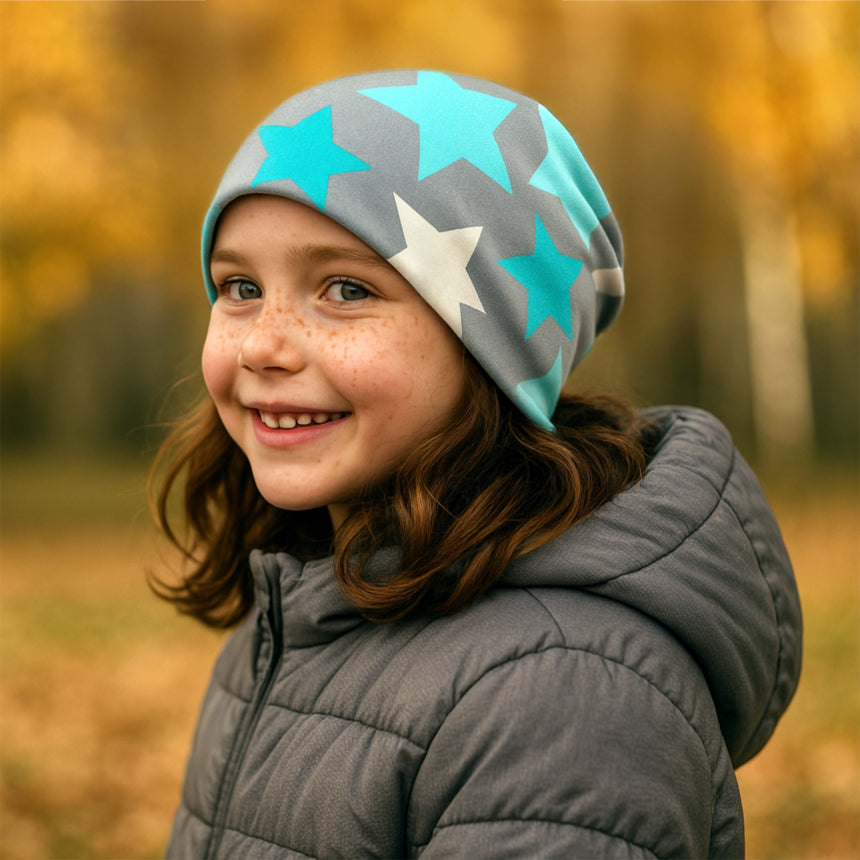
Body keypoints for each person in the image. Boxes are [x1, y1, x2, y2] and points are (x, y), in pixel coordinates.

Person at [150, 70, 802, 859]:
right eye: (240, 287)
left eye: (347, 289)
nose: (261, 344)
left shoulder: (563, 694)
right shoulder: (293, 609)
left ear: (498, 351)